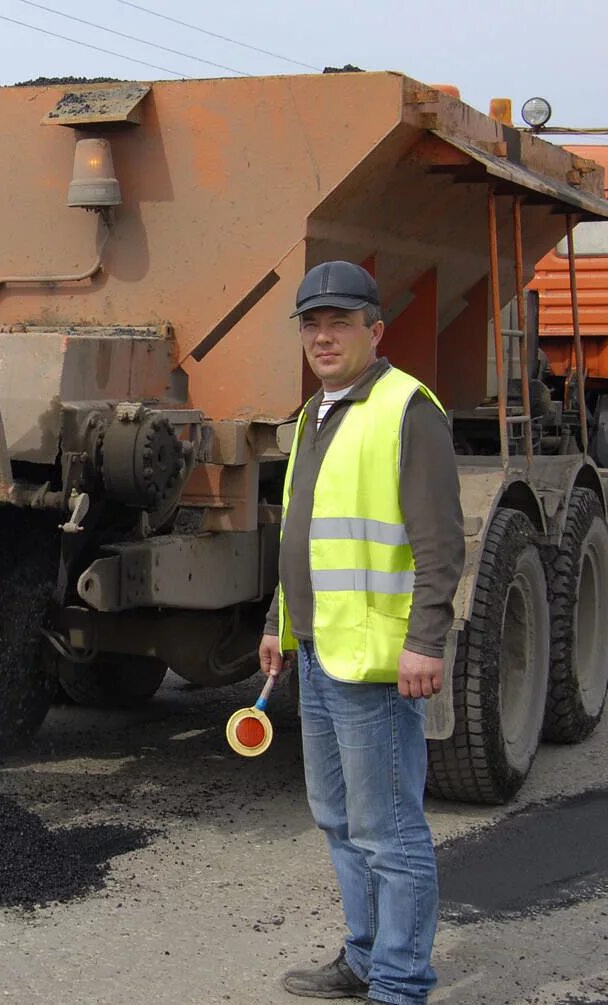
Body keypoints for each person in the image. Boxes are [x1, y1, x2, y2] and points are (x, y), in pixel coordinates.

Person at [259, 262, 464, 1005]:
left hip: (375, 661)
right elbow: (303, 538)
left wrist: (427, 639)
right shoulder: (316, 413)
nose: (322, 336)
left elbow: (441, 542)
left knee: (389, 829)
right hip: (317, 651)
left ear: (374, 331)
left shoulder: (406, 409)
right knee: (339, 818)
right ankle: (365, 955)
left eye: (339, 322)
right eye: (311, 324)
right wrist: (279, 624)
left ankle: (402, 983)